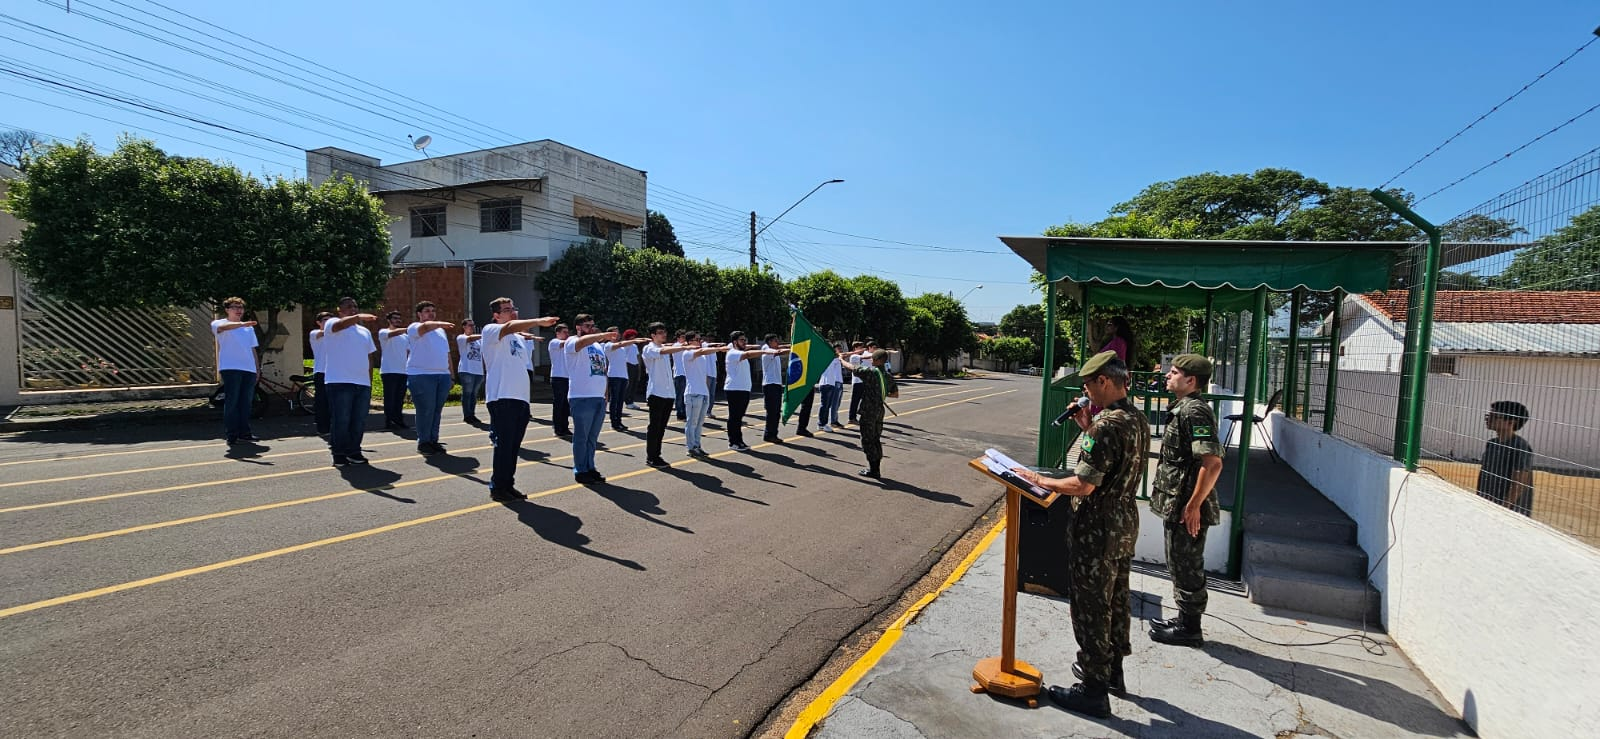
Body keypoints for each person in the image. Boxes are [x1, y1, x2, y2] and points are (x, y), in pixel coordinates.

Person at [1011, 351, 1149, 718]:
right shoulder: (1134, 419)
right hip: (1123, 522)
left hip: (1098, 528)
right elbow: (1112, 460)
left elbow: (1085, 484)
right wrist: (1087, 426)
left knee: (1091, 606)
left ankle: (1092, 689)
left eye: (1088, 385)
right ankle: (1112, 671)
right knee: (1117, 598)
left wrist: (1040, 480)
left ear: (1104, 381)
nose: (1086, 392)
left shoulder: (1108, 426)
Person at [1147, 354, 1225, 648]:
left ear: (1191, 381)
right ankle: (1183, 619)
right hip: (1178, 502)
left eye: (1175, 372)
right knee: (1178, 562)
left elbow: (1212, 462)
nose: (1168, 375)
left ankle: (1190, 628)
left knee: (1187, 564)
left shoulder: (1195, 412)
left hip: (1188, 506)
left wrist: (1193, 506)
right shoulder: (1183, 409)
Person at [480, 297, 559, 501]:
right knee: (504, 444)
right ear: (496, 315)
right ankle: (498, 486)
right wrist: (538, 321)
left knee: (514, 445)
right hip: (502, 396)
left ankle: (508, 483)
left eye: (513, 308)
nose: (512, 312)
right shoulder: (490, 330)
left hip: (520, 398)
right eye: (506, 310)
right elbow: (510, 327)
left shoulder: (517, 339)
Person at [561, 314, 620, 484]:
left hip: (598, 397)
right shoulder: (572, 341)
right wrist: (601, 336)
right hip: (581, 396)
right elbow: (581, 343)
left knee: (592, 438)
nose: (591, 328)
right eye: (587, 325)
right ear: (578, 327)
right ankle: (580, 469)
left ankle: (590, 466)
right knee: (581, 436)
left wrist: (606, 392)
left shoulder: (598, 346)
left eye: (593, 325)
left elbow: (603, 369)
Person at [323, 297, 379, 466]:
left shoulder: (364, 332)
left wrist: (369, 381)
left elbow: (370, 357)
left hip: (361, 382)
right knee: (342, 419)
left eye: (355, 306)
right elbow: (340, 325)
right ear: (339, 310)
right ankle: (339, 453)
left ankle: (354, 451)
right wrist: (358, 316)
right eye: (348, 307)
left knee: (359, 420)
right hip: (339, 381)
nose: (353, 309)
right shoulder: (332, 323)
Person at [704, 331, 782, 451]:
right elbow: (749, 354)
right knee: (734, 417)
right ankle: (733, 442)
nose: (744, 342)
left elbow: (750, 350)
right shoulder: (733, 353)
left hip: (743, 390)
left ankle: (739, 440)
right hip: (734, 389)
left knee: (739, 417)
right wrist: (766, 351)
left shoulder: (740, 352)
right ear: (735, 342)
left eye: (745, 340)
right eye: (742, 340)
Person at [639, 322, 696, 467]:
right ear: (652, 335)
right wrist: (681, 346)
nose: (664, 334)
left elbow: (665, 349)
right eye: (660, 332)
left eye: (664, 332)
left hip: (668, 393)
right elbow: (663, 351)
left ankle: (657, 454)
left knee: (662, 427)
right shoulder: (649, 348)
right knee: (654, 427)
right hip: (656, 393)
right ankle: (651, 456)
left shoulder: (664, 348)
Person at [405, 301, 456, 456]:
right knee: (425, 410)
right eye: (427, 311)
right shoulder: (414, 327)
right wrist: (438, 323)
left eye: (433, 310)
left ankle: (433, 440)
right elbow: (425, 327)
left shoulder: (441, 332)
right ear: (419, 314)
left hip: (442, 375)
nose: (431, 313)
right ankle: (424, 441)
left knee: (436, 410)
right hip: (421, 375)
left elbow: (447, 354)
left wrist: (451, 375)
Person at [838, 348, 899, 477]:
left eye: (873, 358)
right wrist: (880, 393)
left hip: (869, 411)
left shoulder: (871, 372)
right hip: (879, 410)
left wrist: (841, 359)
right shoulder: (888, 376)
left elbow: (852, 368)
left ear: (877, 361)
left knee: (867, 439)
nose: (871, 360)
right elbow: (895, 394)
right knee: (876, 438)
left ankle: (873, 470)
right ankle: (876, 467)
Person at [211, 297, 259, 445]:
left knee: (246, 402)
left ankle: (245, 432)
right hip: (230, 367)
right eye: (234, 307)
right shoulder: (219, 323)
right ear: (227, 309)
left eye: (241, 307)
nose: (239, 310)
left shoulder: (248, 328)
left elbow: (252, 349)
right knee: (232, 401)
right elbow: (223, 329)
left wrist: (257, 368)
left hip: (248, 368)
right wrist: (241, 324)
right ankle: (231, 434)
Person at [1477, 401, 1534, 517]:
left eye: (1494, 417)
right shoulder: (1492, 444)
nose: (1488, 419)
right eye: (1488, 416)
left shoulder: (1520, 446)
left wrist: (1504, 508)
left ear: (1510, 422)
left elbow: (1519, 482)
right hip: (1488, 505)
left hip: (1510, 513)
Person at [679, 331, 718, 456]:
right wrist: (719, 348)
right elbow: (700, 351)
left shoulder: (702, 356)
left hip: (703, 392)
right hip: (693, 393)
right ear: (690, 341)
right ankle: (691, 447)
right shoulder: (687, 353)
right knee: (692, 422)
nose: (700, 341)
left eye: (700, 339)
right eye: (697, 339)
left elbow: (704, 374)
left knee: (700, 423)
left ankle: (697, 444)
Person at [605, 326, 648, 432]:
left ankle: (618, 421)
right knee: (614, 400)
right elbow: (620, 344)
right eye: (614, 333)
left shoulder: (622, 347)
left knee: (620, 401)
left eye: (617, 333)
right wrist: (634, 340)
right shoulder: (609, 345)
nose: (617, 335)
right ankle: (614, 422)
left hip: (623, 375)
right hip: (614, 376)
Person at [376, 311, 410, 430]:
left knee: (399, 398)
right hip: (389, 370)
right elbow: (393, 333)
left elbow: (408, 352)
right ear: (389, 320)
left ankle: (398, 420)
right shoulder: (384, 332)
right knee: (390, 397)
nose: (397, 321)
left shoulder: (405, 337)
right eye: (395, 318)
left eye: (399, 318)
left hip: (403, 371)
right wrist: (408, 328)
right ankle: (389, 421)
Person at [760, 333, 790, 442]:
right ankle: (769, 435)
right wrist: (794, 349)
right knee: (772, 412)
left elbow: (781, 347)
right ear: (769, 342)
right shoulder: (766, 350)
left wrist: (793, 345)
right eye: (775, 340)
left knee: (776, 412)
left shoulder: (773, 350)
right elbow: (780, 351)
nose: (778, 342)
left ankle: (773, 434)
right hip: (770, 385)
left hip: (776, 384)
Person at [454, 319, 484, 424]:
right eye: (469, 325)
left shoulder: (479, 341)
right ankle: (467, 415)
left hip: (478, 371)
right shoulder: (461, 337)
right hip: (466, 370)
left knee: (474, 394)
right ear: (464, 327)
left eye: (473, 325)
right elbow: (470, 339)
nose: (472, 327)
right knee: (467, 393)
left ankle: (472, 414)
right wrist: (484, 335)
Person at [309, 311, 333, 436]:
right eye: (325, 320)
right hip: (321, 372)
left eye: (330, 319)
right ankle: (322, 428)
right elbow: (323, 333)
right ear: (318, 322)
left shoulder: (335, 335)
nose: (328, 322)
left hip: (334, 372)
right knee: (322, 401)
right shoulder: (314, 333)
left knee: (333, 401)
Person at [547, 323, 572, 438]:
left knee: (566, 405)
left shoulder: (568, 344)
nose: (567, 334)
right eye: (564, 332)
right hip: (558, 377)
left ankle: (565, 427)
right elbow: (564, 344)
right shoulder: (554, 342)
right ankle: (557, 428)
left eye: (568, 332)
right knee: (559, 403)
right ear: (558, 333)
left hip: (568, 377)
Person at [816, 345, 845, 431]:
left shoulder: (833, 358)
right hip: (825, 384)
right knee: (824, 405)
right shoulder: (828, 358)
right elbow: (841, 356)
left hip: (830, 384)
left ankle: (823, 423)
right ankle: (821, 424)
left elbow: (842, 355)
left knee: (827, 405)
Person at [846, 341, 868, 425]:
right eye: (860, 347)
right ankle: (852, 417)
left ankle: (862, 415)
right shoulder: (854, 356)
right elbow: (866, 357)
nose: (862, 349)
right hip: (857, 382)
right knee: (855, 401)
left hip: (862, 381)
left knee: (865, 400)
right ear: (855, 348)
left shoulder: (860, 356)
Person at [673, 328, 690, 422]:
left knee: (684, 395)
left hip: (686, 374)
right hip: (679, 373)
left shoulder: (686, 346)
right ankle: (680, 414)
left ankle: (684, 412)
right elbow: (683, 345)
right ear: (678, 338)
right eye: (683, 337)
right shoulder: (676, 345)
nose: (684, 339)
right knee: (679, 395)